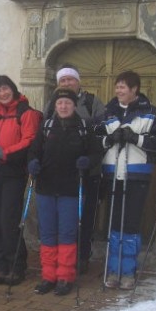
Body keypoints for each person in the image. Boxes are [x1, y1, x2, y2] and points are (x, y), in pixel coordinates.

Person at [27, 88, 103, 295]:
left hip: (71, 188)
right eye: (60, 103)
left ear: (73, 105)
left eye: (67, 103)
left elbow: (97, 152)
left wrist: (87, 161)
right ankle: (48, 276)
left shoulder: (84, 127)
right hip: (46, 187)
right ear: (55, 105)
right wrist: (33, 162)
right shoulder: (47, 125)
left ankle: (65, 277)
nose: (63, 106)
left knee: (68, 233)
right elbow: (34, 150)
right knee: (48, 233)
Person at [97, 71, 156, 290]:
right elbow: (95, 139)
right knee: (113, 222)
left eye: (123, 87)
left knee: (130, 224)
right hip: (113, 175)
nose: (118, 90)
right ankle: (112, 269)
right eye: (117, 87)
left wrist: (136, 138)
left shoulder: (150, 113)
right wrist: (110, 139)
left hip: (136, 175)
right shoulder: (108, 112)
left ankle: (128, 270)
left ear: (134, 89)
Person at [0, 75, 42, 286]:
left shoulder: (25, 112)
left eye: (5, 89)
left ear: (12, 89)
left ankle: (15, 265)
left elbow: (29, 140)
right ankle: (0, 265)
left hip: (12, 171)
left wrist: (4, 152)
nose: (2, 94)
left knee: (8, 219)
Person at [44, 64, 106, 273]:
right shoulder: (52, 103)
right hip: (59, 175)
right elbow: (44, 128)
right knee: (63, 220)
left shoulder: (91, 101)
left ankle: (82, 256)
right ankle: (62, 259)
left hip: (87, 171)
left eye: (71, 79)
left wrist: (82, 129)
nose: (67, 83)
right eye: (63, 80)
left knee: (86, 216)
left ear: (78, 82)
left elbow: (102, 126)